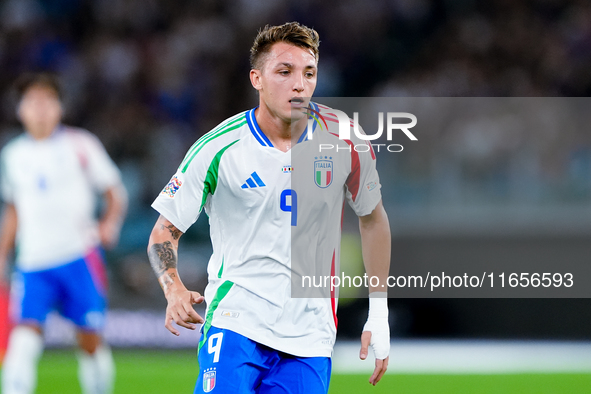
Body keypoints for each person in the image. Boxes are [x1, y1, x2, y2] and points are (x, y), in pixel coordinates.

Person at [148, 22, 391, 393]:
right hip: (236, 320)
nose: (300, 84)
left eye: (309, 73)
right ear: (256, 78)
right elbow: (164, 230)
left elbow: (373, 219)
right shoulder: (219, 148)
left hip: (311, 334)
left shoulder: (345, 139)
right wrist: (174, 288)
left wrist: (379, 311)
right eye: (285, 71)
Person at [0, 73, 127, 394]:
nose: (40, 108)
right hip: (32, 263)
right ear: (20, 110)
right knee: (24, 337)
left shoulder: (80, 144)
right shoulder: (13, 156)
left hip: (78, 256)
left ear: (59, 108)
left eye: (47, 101)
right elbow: (14, 209)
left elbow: (114, 190)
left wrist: (108, 224)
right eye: (33, 101)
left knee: (89, 340)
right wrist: (2, 255)